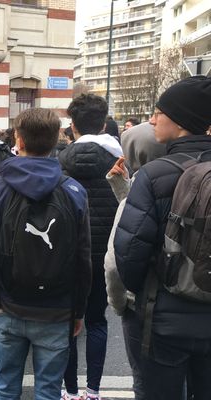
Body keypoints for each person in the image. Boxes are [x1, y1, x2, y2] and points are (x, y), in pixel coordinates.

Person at [0, 108, 92, 400]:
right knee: (48, 391)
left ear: (17, 140)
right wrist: (78, 310)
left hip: (7, 306)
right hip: (57, 309)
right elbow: (84, 258)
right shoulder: (74, 191)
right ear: (56, 140)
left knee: (6, 389)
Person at [114, 76, 211, 400]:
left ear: (182, 120)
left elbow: (128, 257)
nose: (152, 119)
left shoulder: (155, 175)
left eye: (159, 112)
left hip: (164, 320)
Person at [59, 94, 122, 400]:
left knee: (69, 325)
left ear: (72, 125)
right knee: (98, 322)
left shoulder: (60, 162)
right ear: (103, 123)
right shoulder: (118, 161)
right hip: (104, 256)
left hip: (68, 257)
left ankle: (69, 391)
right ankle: (93, 391)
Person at [103, 123, 166, 400]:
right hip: (184, 298)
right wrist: (123, 188)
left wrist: (118, 304)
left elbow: (115, 263)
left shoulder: (143, 189)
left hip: (141, 305)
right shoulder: (189, 176)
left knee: (145, 381)